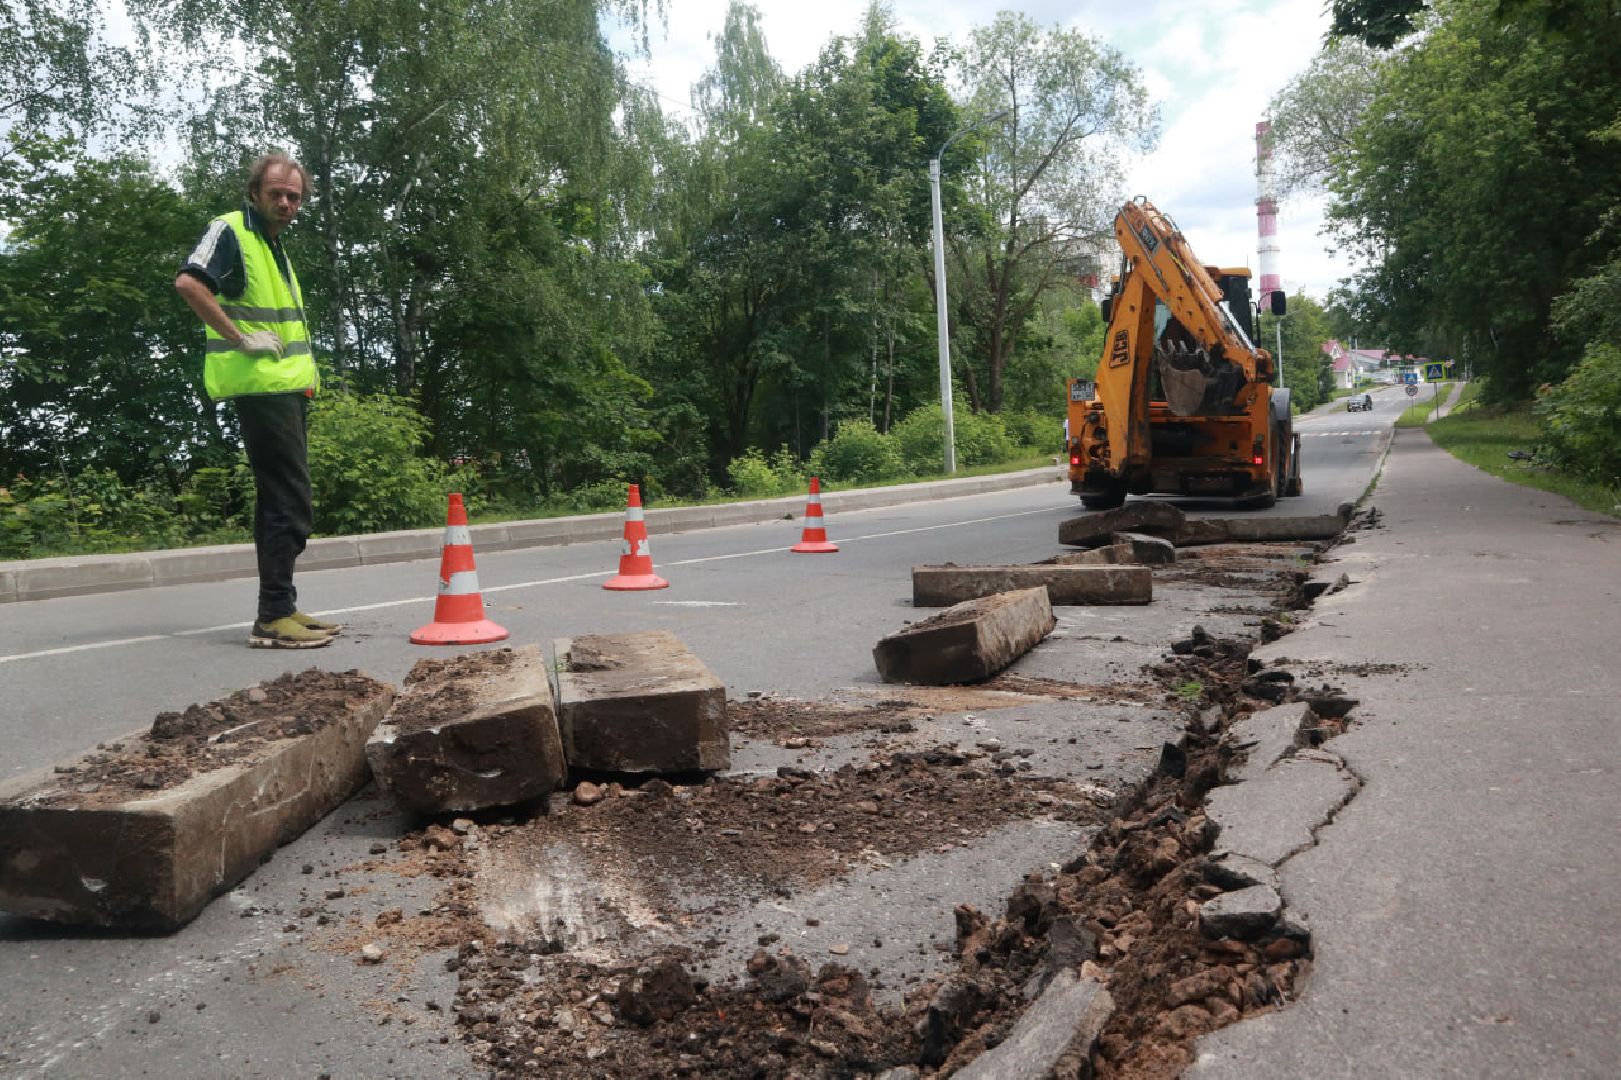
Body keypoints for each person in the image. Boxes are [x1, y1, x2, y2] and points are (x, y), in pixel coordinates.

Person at [174, 153, 339, 649]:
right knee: (290, 501)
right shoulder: (231, 230)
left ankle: (281, 607)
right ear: (254, 194)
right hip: (261, 386)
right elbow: (188, 283)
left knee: (280, 498)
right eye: (277, 194)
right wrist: (240, 337)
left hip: (284, 387)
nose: (287, 203)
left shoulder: (272, 247)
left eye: (295, 196)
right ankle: (272, 616)